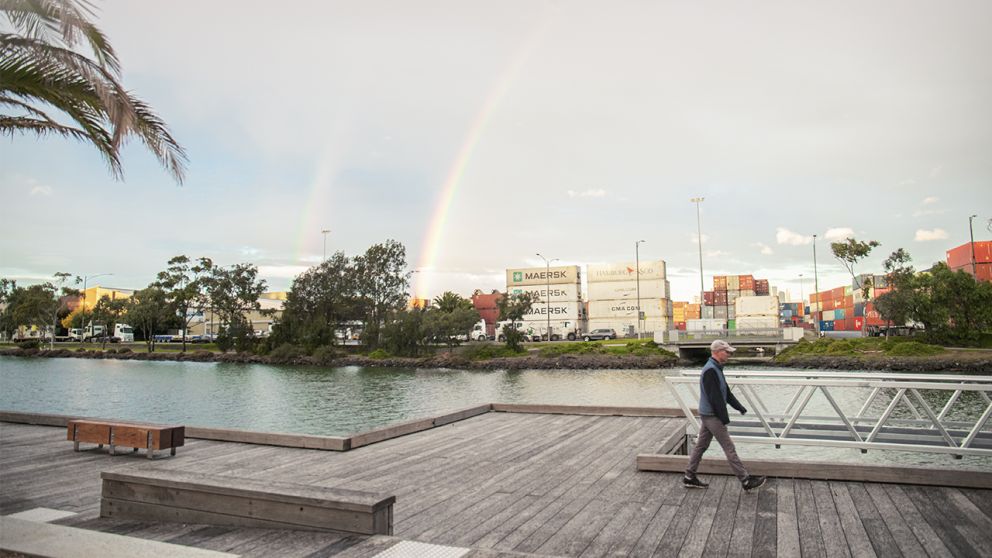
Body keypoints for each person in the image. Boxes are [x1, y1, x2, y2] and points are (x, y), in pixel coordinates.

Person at [683, 339, 766, 491]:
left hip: (709, 414)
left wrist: (739, 407)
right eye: (726, 352)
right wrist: (724, 419)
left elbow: (726, 393)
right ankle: (745, 480)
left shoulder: (717, 369)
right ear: (717, 352)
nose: (729, 355)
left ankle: (689, 476)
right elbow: (714, 397)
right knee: (729, 447)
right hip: (711, 415)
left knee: (701, 445)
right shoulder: (710, 371)